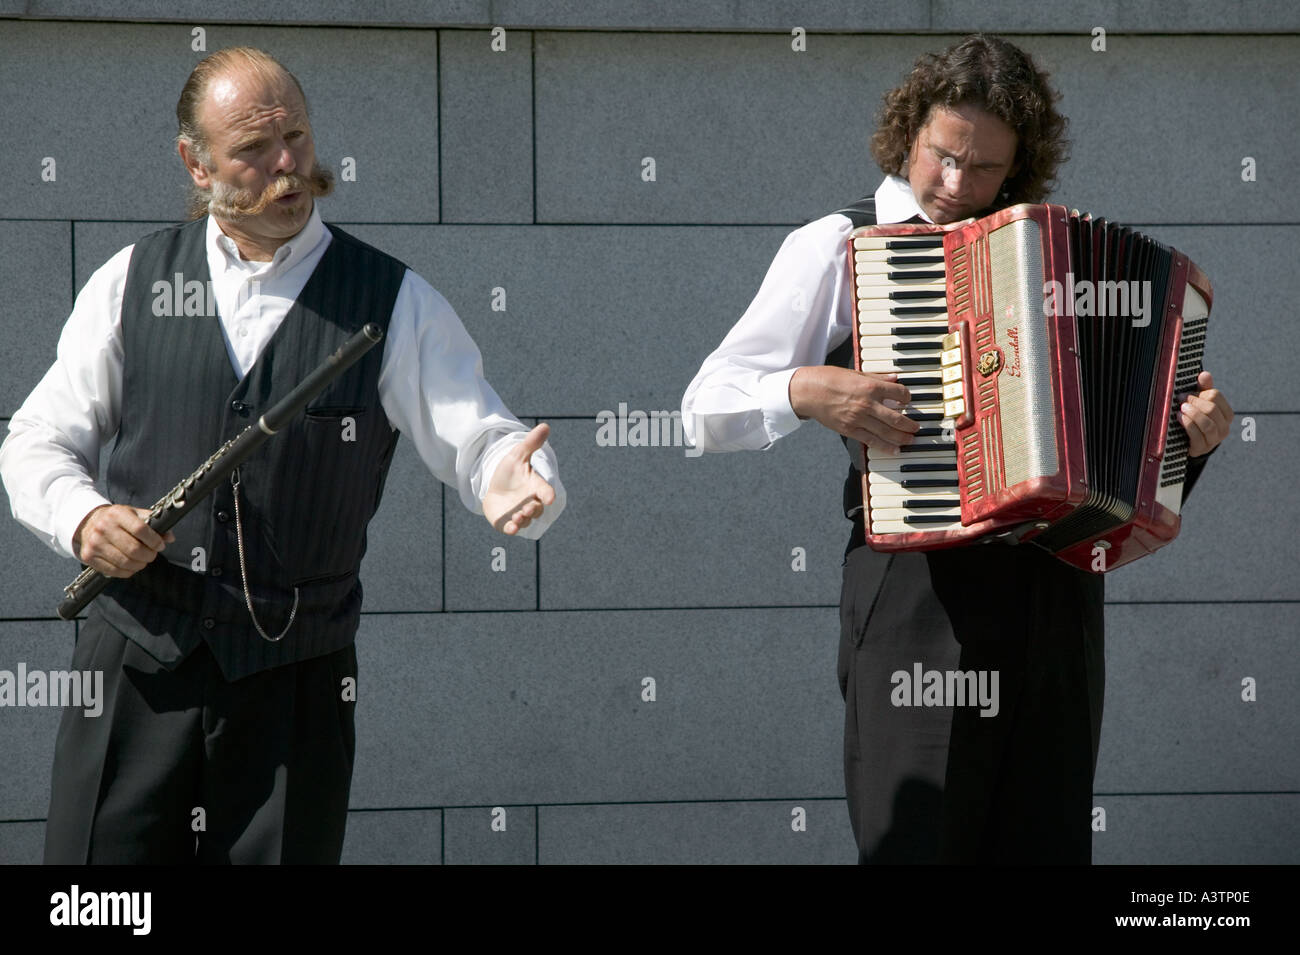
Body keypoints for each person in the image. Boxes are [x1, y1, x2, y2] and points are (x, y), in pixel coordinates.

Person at [0, 46, 566, 864]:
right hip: (134, 664)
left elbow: (481, 436)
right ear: (195, 164)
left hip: (297, 682)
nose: (288, 166)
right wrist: (83, 517)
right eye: (253, 151)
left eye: (296, 137)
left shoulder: (394, 299)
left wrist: (517, 477)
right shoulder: (131, 280)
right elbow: (37, 439)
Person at [681, 34, 1233, 864]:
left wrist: (1189, 441)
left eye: (982, 170)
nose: (953, 185)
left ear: (1017, 167)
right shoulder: (839, 244)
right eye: (943, 155)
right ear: (909, 130)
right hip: (917, 605)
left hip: (1056, 607)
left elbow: (1112, 464)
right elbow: (704, 405)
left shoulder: (1054, 256)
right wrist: (802, 390)